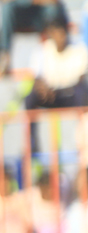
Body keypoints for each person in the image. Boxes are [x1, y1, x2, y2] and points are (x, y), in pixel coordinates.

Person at [24, 14, 88, 152]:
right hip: (50, 96)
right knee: (30, 97)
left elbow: (80, 80)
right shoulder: (42, 50)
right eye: (55, 32)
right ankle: (32, 144)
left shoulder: (79, 50)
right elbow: (36, 78)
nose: (59, 36)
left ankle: (83, 144)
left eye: (61, 32)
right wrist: (42, 88)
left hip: (71, 94)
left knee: (83, 94)